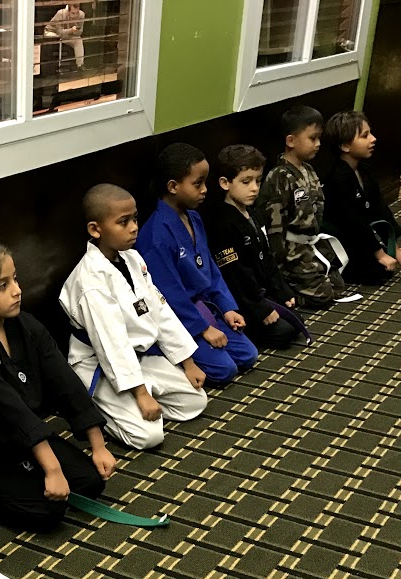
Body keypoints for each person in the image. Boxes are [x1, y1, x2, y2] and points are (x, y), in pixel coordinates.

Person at [0, 234, 115, 532]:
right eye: (3, 286)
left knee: (89, 482)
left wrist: (97, 444)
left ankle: (28, 472)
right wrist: (52, 468)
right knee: (46, 512)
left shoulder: (25, 324)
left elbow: (64, 380)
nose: (17, 290)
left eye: (14, 279)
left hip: (26, 435)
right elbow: (9, 410)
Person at [59, 184, 208, 450]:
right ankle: (102, 406)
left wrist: (187, 362)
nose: (134, 228)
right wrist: (139, 393)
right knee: (149, 436)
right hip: (99, 364)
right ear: (95, 229)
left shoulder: (132, 258)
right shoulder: (90, 281)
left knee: (195, 401)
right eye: (123, 222)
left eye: (135, 219)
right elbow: (111, 342)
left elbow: (160, 311)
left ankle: (139, 398)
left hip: (137, 356)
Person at [136, 143, 259, 385]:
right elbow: (168, 294)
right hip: (179, 318)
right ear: (173, 186)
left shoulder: (194, 217)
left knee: (248, 355)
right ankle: (171, 357)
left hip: (205, 307)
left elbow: (210, 270)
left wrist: (226, 307)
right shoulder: (156, 236)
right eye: (197, 184)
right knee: (225, 370)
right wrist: (203, 328)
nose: (205, 190)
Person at [206, 145, 310, 350]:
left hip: (261, 291)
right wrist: (261, 309)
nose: (254, 188)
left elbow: (267, 258)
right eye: (246, 182)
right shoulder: (223, 224)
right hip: (242, 300)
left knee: (296, 320)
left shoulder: (253, 213)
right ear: (225, 183)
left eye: (258, 181)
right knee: (284, 333)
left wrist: (281, 291)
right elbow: (236, 276)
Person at [257, 105, 350, 310]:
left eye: (319, 138)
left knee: (338, 285)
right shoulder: (280, 177)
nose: (318, 144)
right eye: (312, 138)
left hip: (309, 245)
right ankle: (283, 294)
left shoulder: (308, 169)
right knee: (323, 296)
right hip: (290, 252)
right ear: (291, 141)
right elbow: (275, 228)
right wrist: (278, 267)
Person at [322, 110, 401, 284]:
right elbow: (353, 222)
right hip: (341, 238)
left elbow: (381, 210)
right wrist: (380, 254)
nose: (373, 139)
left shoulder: (365, 171)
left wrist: (394, 248)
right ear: (345, 146)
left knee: (384, 268)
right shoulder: (338, 178)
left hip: (359, 236)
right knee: (377, 271)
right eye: (365, 136)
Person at [44, 1, 85, 70]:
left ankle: (80, 65)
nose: (75, 15)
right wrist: (71, 30)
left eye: (77, 13)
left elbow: (80, 32)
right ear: (68, 11)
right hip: (52, 32)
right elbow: (60, 33)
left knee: (78, 40)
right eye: (73, 13)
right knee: (56, 38)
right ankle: (51, 66)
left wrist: (76, 31)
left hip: (67, 33)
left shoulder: (81, 15)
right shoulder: (61, 13)